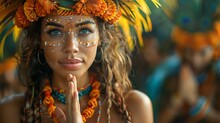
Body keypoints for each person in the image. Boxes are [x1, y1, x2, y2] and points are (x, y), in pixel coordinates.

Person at [0, 0, 157, 123]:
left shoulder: (135, 107)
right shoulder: (12, 112)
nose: (71, 47)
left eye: (84, 31)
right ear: (38, 40)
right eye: (55, 32)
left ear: (100, 38)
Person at [146, 0, 220, 122]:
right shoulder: (169, 75)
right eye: (189, 51)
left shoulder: (217, 76)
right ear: (181, 49)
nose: (195, 60)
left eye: (203, 53)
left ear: (215, 49)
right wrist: (178, 98)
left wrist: (195, 102)